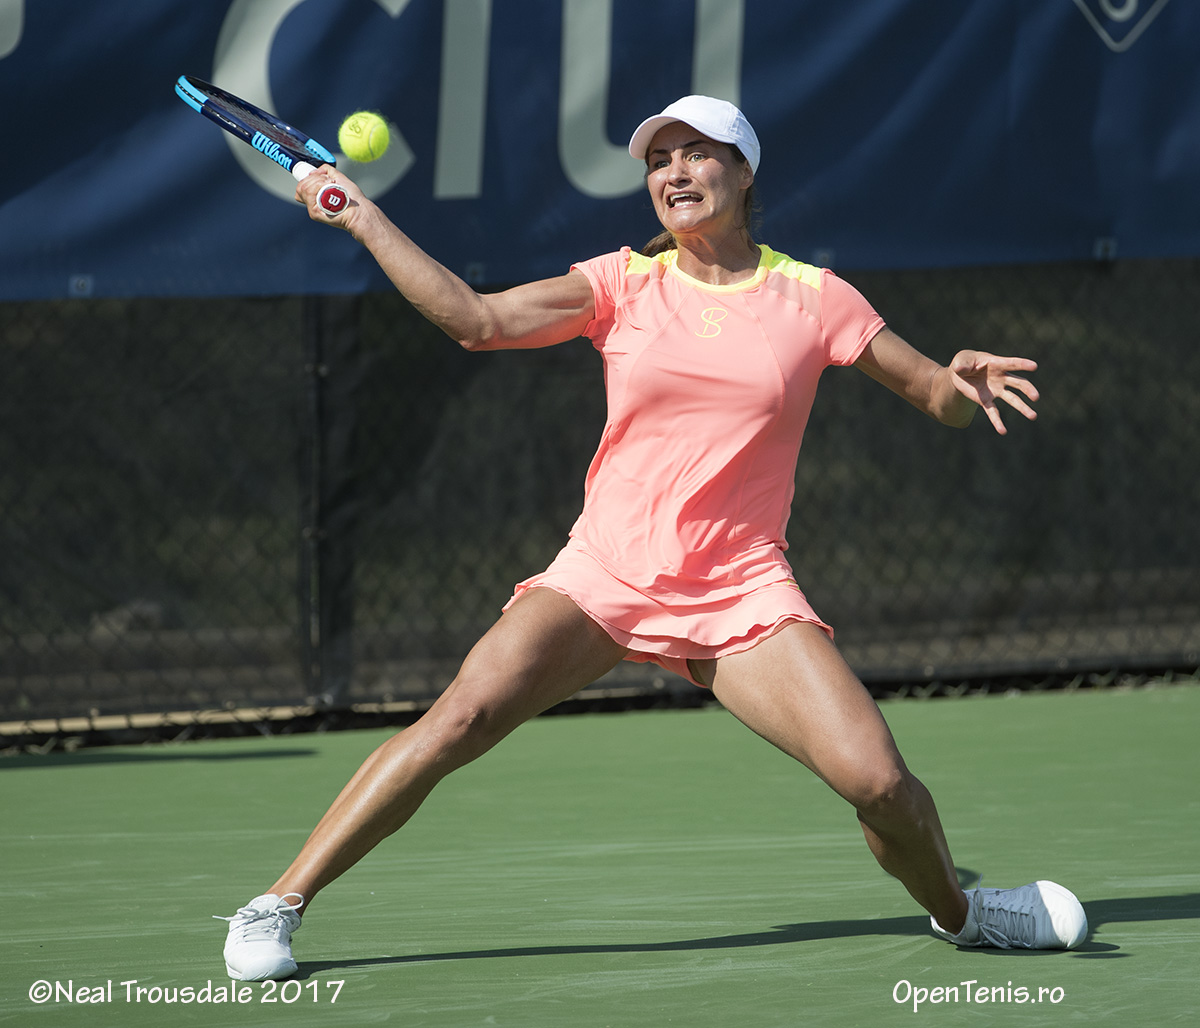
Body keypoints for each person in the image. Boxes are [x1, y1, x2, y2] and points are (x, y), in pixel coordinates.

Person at [217, 95, 1086, 981]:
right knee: (460, 719)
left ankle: (964, 916)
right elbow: (476, 320)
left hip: (740, 587)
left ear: (742, 173)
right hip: (604, 573)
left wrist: (959, 382)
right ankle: (275, 904)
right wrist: (360, 216)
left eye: (697, 153)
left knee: (879, 783)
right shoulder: (621, 283)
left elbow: (932, 393)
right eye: (659, 160)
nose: (675, 172)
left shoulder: (814, 297)